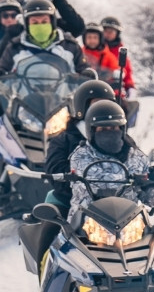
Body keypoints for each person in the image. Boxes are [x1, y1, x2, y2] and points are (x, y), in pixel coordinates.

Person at [67, 101, 154, 221]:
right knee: (64, 240)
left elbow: (152, 200)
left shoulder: (136, 157)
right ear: (92, 130)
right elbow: (99, 184)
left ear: (122, 129)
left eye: (113, 127)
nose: (109, 132)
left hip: (128, 223)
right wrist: (134, 179)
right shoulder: (81, 155)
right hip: (88, 220)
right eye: (103, 128)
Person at [45, 80, 118, 208]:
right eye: (97, 103)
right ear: (82, 107)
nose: (103, 108)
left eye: (107, 103)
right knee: (52, 224)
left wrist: (153, 176)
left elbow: (135, 163)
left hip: (116, 205)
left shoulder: (121, 138)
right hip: (71, 204)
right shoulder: (63, 140)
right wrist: (79, 181)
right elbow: (55, 173)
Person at [0, 0, 89, 79]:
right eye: (35, 23)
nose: (40, 26)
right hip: (24, 100)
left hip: (64, 100)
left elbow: (83, 70)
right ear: (27, 24)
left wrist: (87, 74)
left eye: (44, 22)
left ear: (52, 22)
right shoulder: (15, 48)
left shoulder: (70, 46)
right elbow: (1, 72)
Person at [100, 16, 135, 97]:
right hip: (96, 89)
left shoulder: (121, 52)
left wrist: (130, 87)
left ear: (117, 33)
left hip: (115, 93)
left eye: (111, 31)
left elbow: (127, 72)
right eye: (105, 31)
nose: (108, 34)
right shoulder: (94, 49)